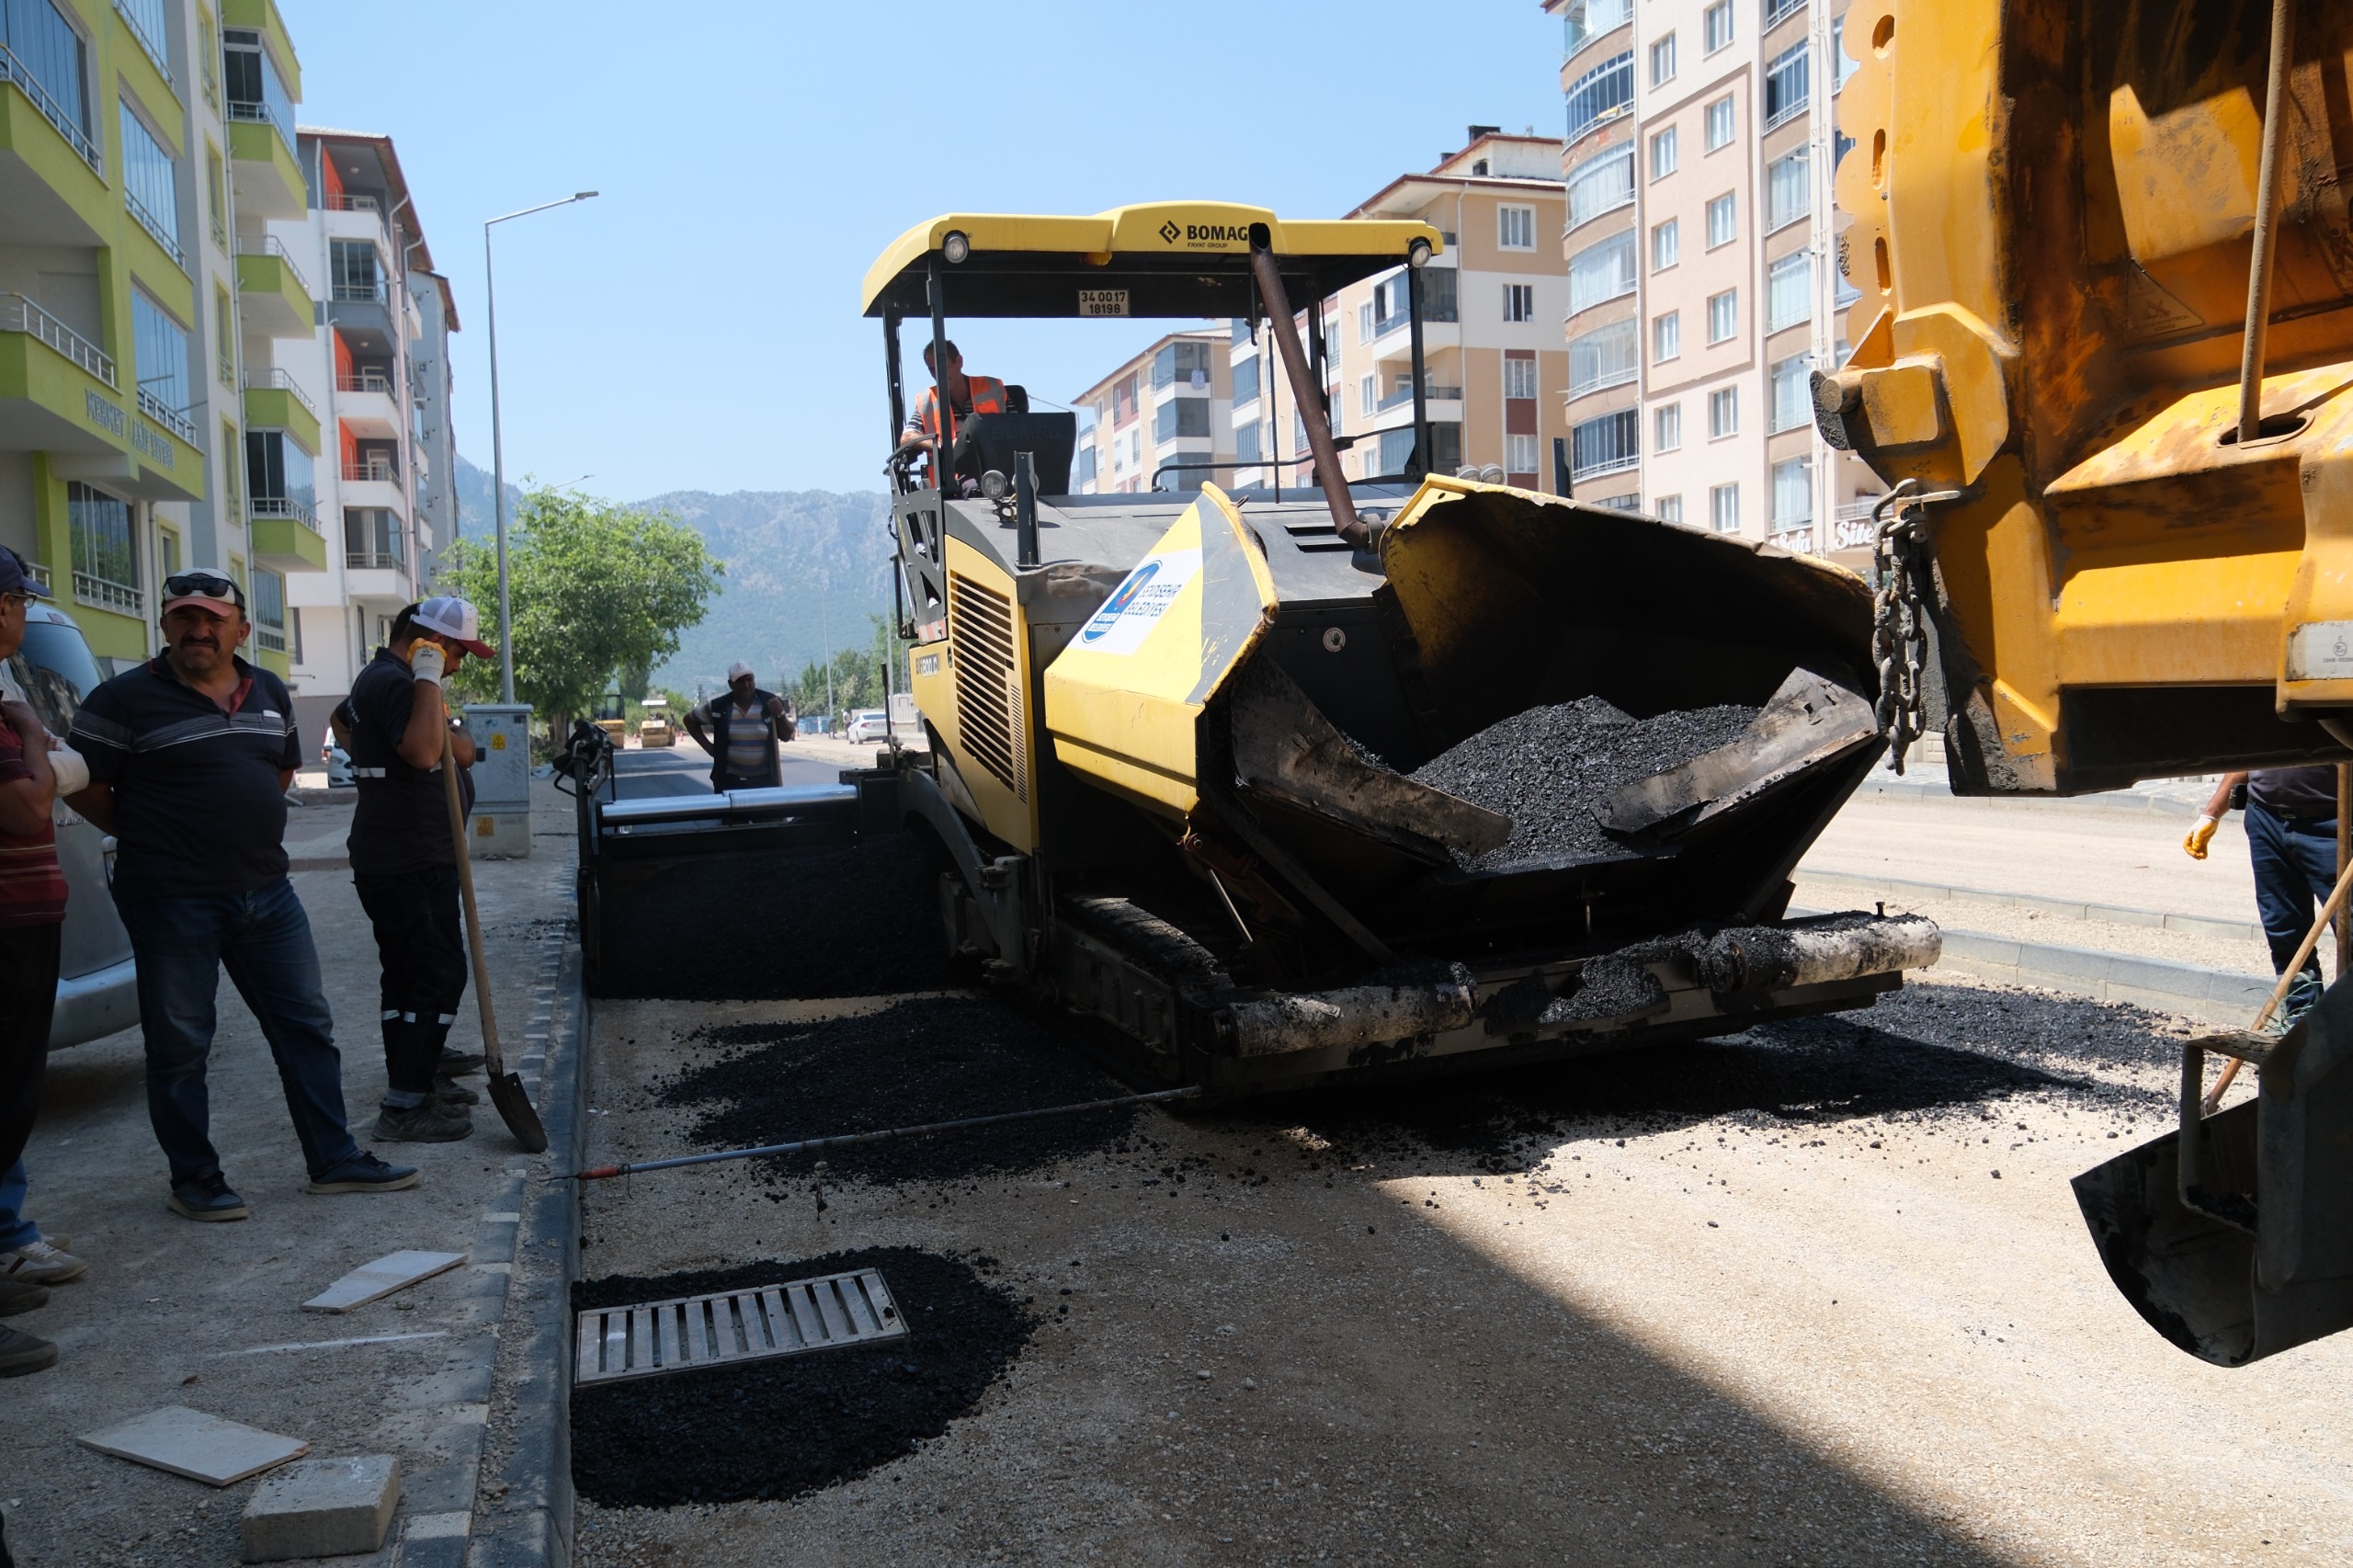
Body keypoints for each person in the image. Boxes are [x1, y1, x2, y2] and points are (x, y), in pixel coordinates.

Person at [66, 567, 416, 1220]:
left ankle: (333, 1159)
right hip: (169, 899)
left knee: (306, 1027)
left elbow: (280, 769)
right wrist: (148, 830)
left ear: (241, 630)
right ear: (165, 624)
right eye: (184, 618)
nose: (198, 630)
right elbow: (85, 786)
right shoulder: (121, 700)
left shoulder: (270, 691)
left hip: (267, 893)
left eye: (213, 619)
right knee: (181, 1044)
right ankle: (196, 1179)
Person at [334, 597, 492, 1142]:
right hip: (410, 861)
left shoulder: (390, 681)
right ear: (432, 642)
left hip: (403, 857)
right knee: (438, 976)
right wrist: (427, 682)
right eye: (457, 654)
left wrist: (384, 756)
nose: (458, 667)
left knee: (406, 977)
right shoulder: (399, 682)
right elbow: (427, 753)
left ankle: (418, 1071)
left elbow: (462, 751)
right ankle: (405, 1105)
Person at [0, 544, 72, 1375]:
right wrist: (25, 727)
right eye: (19, 601)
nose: (23, 614)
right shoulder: (3, 711)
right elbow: (26, 808)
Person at [2188, 765, 2342, 1028]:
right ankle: (2302, 1022)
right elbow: (2250, 754)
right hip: (2266, 819)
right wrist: (2211, 814)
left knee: (2350, 930)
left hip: (2335, 821)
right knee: (2284, 929)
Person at [898, 339, 1007, 488]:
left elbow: (1019, 426)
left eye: (943, 367)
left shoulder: (993, 389)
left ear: (959, 362)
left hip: (998, 467)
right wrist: (942, 445)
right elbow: (907, 437)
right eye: (932, 370)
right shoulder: (927, 401)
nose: (938, 375)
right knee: (973, 488)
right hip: (954, 477)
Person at [686, 663, 793, 791]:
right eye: (740, 681)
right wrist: (710, 749)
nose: (746, 685)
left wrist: (780, 714)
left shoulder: (769, 703)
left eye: (749, 679)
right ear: (731, 684)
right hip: (730, 783)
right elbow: (689, 720)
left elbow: (787, 736)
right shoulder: (720, 707)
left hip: (765, 783)